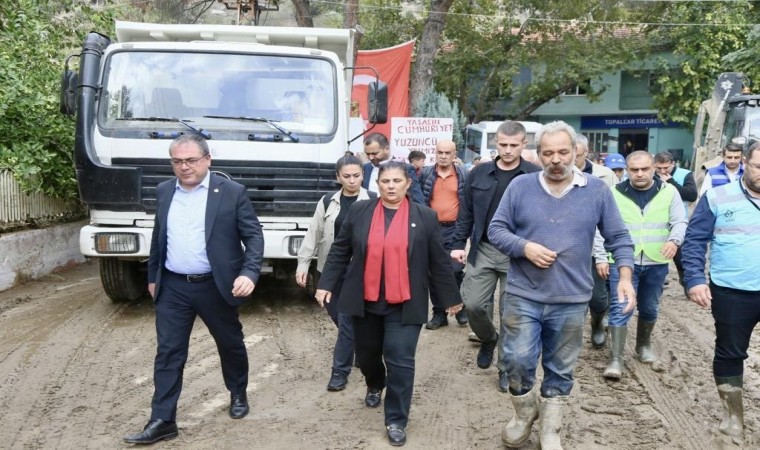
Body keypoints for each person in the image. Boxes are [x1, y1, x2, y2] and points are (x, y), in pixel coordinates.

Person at [487, 121, 635, 449]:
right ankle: (524, 413)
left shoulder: (596, 191)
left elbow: (619, 237)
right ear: (538, 154)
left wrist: (625, 278)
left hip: (571, 298)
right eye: (548, 153)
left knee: (561, 367)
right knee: (516, 360)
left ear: (576, 152)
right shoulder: (521, 187)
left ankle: (550, 428)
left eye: (563, 152)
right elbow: (496, 230)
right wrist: (524, 247)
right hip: (523, 295)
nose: (556, 159)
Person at [124, 134, 264, 444]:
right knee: (169, 352)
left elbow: (254, 236)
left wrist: (249, 273)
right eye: (177, 161)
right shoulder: (165, 191)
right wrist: (153, 276)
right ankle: (163, 419)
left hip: (216, 285)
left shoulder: (232, 192)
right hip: (173, 286)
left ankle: (237, 392)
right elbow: (159, 237)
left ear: (207, 159)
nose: (184, 167)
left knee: (230, 344)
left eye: (191, 160)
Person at [315, 161, 463, 447]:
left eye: (397, 181)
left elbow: (437, 261)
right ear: (378, 184)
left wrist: (450, 299)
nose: (391, 186)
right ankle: (374, 383)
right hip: (365, 300)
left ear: (408, 184)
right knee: (368, 356)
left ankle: (396, 419)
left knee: (400, 360)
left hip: (406, 302)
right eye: (385, 181)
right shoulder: (361, 211)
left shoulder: (425, 216)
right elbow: (340, 250)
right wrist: (325, 284)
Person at [450, 121, 540, 392]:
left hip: (519, 254)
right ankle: (488, 337)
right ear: (495, 143)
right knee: (473, 304)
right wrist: (458, 244)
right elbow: (466, 212)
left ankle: (505, 367)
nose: (508, 150)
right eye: (503, 144)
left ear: (524, 144)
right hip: (484, 249)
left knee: (511, 314)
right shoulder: (479, 173)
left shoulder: (534, 175)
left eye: (514, 145)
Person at [682, 142, 760, 447]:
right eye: (758, 167)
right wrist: (694, 280)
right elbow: (694, 240)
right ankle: (733, 419)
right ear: (744, 163)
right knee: (730, 352)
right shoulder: (718, 196)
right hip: (732, 291)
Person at [601, 151, 687, 380]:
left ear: (654, 168)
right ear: (627, 170)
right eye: (634, 170)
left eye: (644, 169)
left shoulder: (669, 192)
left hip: (656, 260)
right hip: (622, 262)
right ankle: (616, 359)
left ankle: (644, 345)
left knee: (649, 307)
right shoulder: (614, 193)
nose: (639, 174)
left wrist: (674, 240)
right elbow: (601, 226)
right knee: (620, 307)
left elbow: (680, 221)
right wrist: (601, 256)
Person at [296, 155, 376, 392]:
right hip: (330, 270)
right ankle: (360, 348)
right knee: (337, 316)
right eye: (346, 176)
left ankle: (339, 372)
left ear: (363, 175)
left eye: (356, 176)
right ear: (338, 177)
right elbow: (314, 232)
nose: (352, 180)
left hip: (358, 272)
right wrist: (303, 264)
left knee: (346, 320)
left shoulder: (373, 200)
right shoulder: (328, 201)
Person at [420, 139, 468, 330]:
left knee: (455, 270)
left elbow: (468, 202)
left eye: (448, 153)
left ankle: (459, 306)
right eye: (440, 152)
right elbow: (420, 199)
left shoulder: (463, 174)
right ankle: (439, 314)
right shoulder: (426, 173)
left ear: (454, 154)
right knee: (434, 272)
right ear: (435, 153)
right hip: (432, 229)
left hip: (455, 228)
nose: (443, 156)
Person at [574, 135, 617, 349]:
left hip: (595, 246)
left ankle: (598, 323)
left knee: (598, 297)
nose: (572, 159)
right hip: (567, 247)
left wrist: (602, 254)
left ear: (587, 152)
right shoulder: (552, 175)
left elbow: (612, 216)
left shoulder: (605, 176)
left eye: (577, 154)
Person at [654, 151, 697, 293]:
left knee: (681, 259)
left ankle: (688, 287)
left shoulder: (685, 174)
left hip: (679, 223)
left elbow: (691, 195)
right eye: (659, 168)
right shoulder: (650, 175)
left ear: (673, 164)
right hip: (657, 223)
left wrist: (671, 182)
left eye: (666, 168)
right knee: (657, 258)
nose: (662, 171)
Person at [362, 133, 423, 203]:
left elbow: (417, 199)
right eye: (367, 154)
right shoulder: (365, 168)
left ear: (387, 149)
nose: (370, 157)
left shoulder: (405, 168)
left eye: (374, 154)